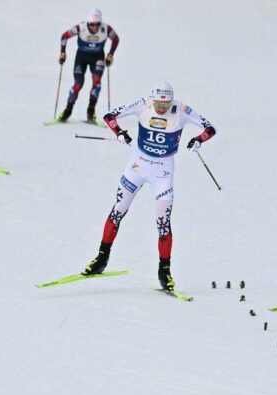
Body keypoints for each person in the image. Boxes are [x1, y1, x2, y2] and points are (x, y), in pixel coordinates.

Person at [82, 82, 216, 291]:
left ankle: (165, 272)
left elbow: (210, 128)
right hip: (137, 166)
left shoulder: (181, 110)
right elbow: (110, 117)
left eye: (165, 105)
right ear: (152, 99)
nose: (161, 109)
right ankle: (101, 259)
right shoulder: (143, 105)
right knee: (118, 210)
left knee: (163, 222)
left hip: (163, 171)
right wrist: (119, 132)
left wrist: (199, 139)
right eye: (158, 104)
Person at [57, 8, 120, 123]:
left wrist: (110, 54)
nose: (95, 27)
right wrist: (62, 52)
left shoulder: (106, 29)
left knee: (97, 83)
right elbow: (64, 36)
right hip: (81, 57)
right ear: (88, 23)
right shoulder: (81, 27)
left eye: (97, 24)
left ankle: (91, 111)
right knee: (78, 84)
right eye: (92, 24)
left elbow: (115, 39)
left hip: (98, 57)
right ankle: (67, 110)